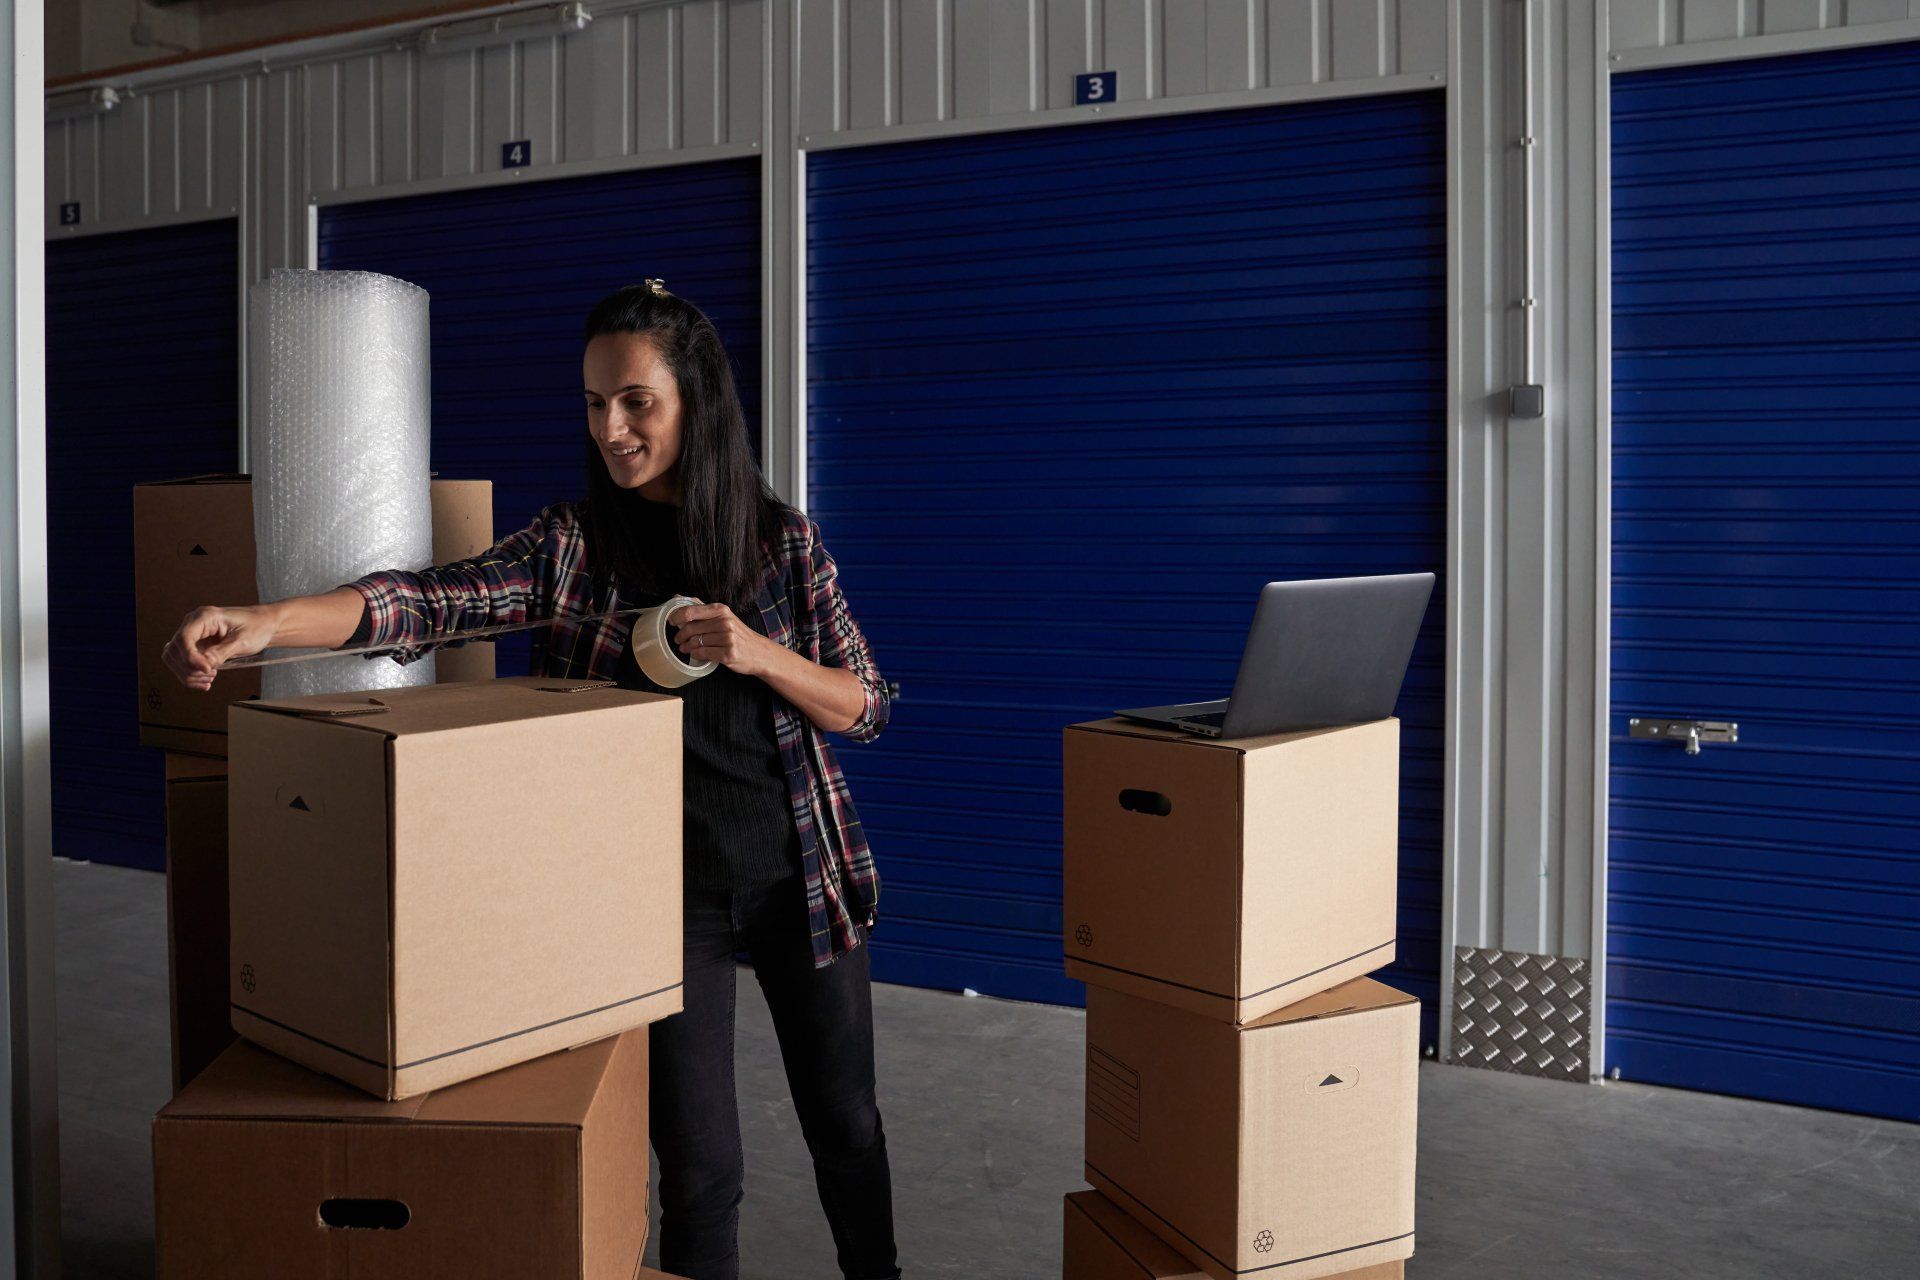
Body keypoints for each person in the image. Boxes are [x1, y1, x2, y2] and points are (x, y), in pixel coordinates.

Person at [162, 278, 902, 1280]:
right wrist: (266, 623)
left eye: (637, 400)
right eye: (595, 402)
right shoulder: (573, 547)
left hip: (797, 875)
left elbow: (865, 704)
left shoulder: (780, 543)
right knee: (696, 1163)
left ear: (695, 398)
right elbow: (427, 604)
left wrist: (757, 650)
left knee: (846, 1123)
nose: (613, 427)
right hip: (658, 898)